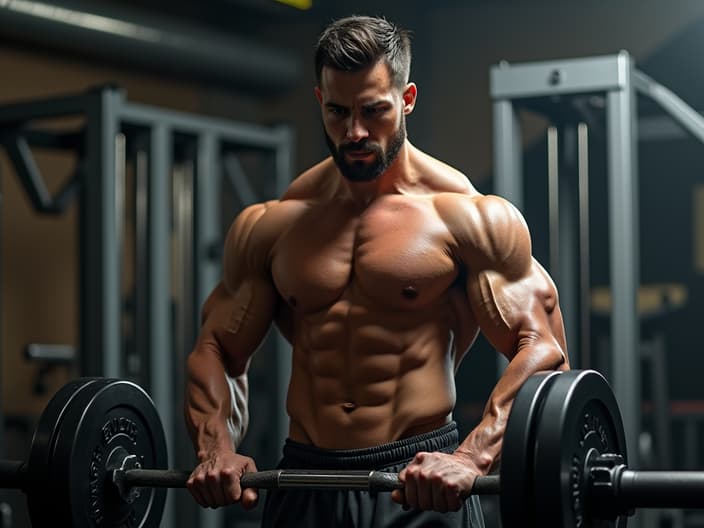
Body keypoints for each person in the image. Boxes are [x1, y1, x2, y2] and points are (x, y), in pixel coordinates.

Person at [184, 14, 569, 528]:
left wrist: (470, 456)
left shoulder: (466, 216)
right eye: (339, 113)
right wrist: (216, 448)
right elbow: (216, 348)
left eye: (374, 111)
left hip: (418, 482)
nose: (355, 132)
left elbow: (543, 349)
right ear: (320, 101)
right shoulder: (274, 224)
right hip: (304, 479)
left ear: (406, 99)